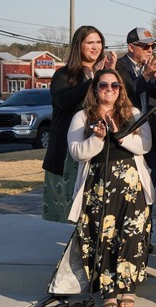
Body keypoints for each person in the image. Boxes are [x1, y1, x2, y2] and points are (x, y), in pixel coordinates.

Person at [59, 69, 154, 307]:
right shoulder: (82, 116)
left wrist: (118, 134)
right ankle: (108, 290)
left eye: (115, 85)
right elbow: (76, 152)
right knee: (102, 236)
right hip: (98, 186)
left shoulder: (132, 114)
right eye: (103, 85)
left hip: (132, 187)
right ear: (95, 89)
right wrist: (98, 139)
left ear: (121, 89)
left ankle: (127, 287)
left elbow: (145, 145)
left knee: (132, 236)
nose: (109, 89)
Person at [43, 25, 117, 222]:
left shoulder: (108, 74)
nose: (95, 47)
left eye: (99, 42)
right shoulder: (64, 75)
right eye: (90, 42)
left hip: (103, 146)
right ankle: (80, 247)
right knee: (75, 210)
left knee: (102, 205)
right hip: (71, 150)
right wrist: (92, 81)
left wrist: (110, 74)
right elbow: (64, 101)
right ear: (79, 45)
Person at [115, 27, 156, 186]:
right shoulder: (118, 67)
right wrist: (146, 75)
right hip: (128, 137)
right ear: (131, 47)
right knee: (128, 191)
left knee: (149, 190)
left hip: (150, 137)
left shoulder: (152, 69)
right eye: (145, 46)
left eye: (153, 47)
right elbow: (125, 94)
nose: (150, 50)